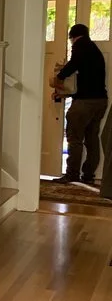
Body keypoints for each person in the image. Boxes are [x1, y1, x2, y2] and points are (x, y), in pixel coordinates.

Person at [50, 23, 108, 185]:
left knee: (74, 139)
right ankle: (88, 175)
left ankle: (72, 174)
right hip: (100, 101)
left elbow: (72, 65)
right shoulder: (94, 50)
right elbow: (86, 79)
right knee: (92, 138)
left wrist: (58, 78)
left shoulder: (80, 46)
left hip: (84, 103)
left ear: (73, 37)